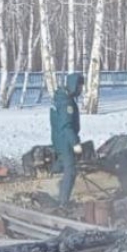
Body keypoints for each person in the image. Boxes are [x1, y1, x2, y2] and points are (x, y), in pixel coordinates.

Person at [50, 72, 84, 206]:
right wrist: (75, 143)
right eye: (80, 87)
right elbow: (67, 126)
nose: (81, 90)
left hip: (58, 139)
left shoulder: (59, 97)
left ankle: (53, 180)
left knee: (61, 162)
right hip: (65, 141)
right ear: (74, 86)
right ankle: (63, 202)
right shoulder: (66, 103)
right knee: (71, 170)